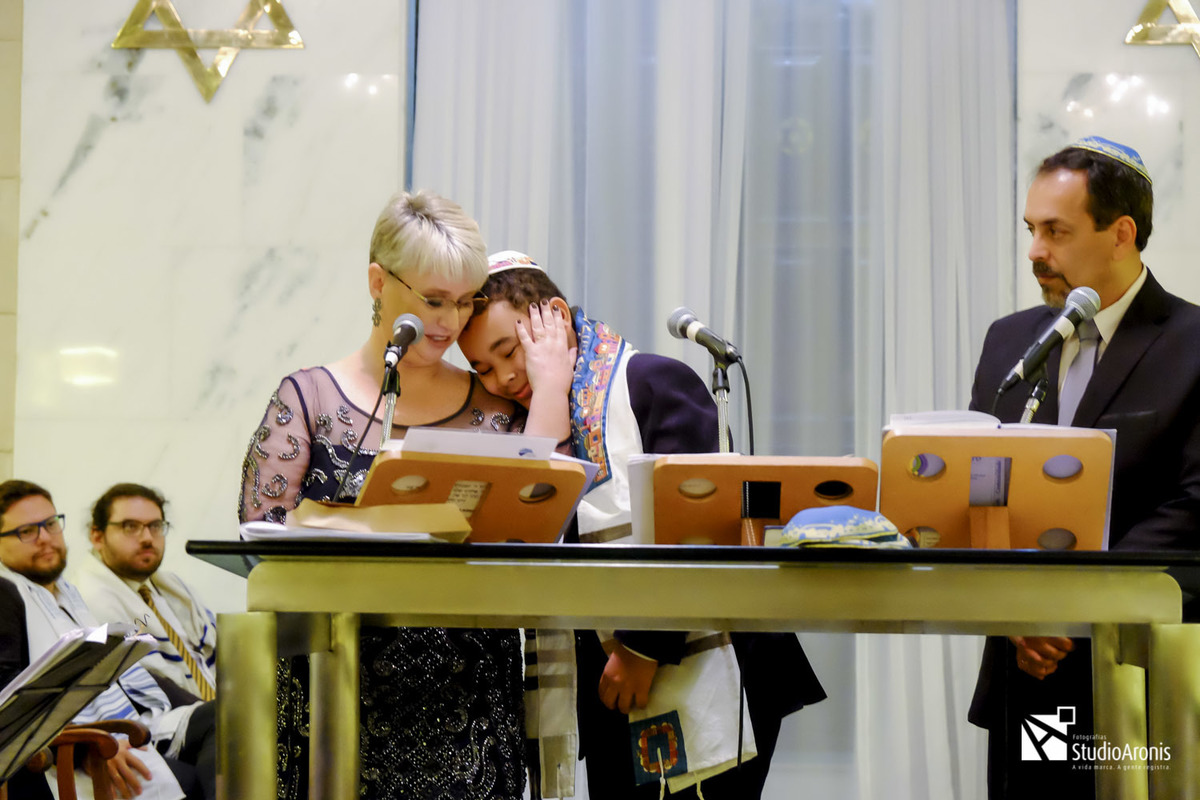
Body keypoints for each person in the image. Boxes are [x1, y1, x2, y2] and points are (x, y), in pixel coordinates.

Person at [458, 252, 826, 799]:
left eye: (510, 351)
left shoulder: (652, 382)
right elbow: (530, 535)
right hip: (610, 686)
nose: (504, 376)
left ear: (556, 317)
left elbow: (703, 524)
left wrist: (640, 647)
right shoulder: (532, 422)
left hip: (702, 658)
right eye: (483, 369)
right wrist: (551, 394)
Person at [237, 190, 528, 800]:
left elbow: (531, 532)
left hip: (468, 701)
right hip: (335, 682)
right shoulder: (309, 400)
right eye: (433, 300)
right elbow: (259, 539)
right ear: (378, 281)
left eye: (464, 301)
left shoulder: (496, 409)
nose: (450, 322)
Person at [966, 137, 1200, 797]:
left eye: (1057, 231)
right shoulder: (1010, 341)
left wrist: (1073, 608)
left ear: (1122, 233)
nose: (1036, 251)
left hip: (1145, 667)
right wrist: (1010, 608)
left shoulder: (1191, 344)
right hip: (1029, 668)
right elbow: (979, 483)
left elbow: (1192, 507)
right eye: (1031, 230)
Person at [0, 479, 216, 800]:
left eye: (49, 524)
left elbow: (112, 670)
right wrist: (88, 749)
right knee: (197, 773)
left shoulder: (65, 594)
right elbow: (11, 707)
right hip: (60, 759)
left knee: (223, 718)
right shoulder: (7, 594)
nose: (45, 538)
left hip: (118, 728)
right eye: (27, 531)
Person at [75, 483, 217, 705]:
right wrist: (212, 717)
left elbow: (220, 653)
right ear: (97, 536)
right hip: (160, 728)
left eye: (155, 526)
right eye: (130, 527)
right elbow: (142, 687)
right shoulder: (88, 600)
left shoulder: (170, 586)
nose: (147, 538)